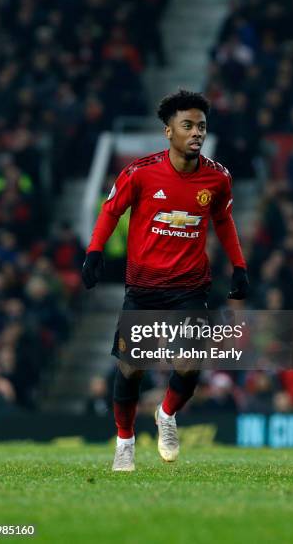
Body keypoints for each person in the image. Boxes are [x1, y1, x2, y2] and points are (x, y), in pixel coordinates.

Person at [82, 90, 249, 471]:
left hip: (190, 287)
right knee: (130, 369)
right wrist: (94, 252)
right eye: (187, 125)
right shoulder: (140, 172)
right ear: (168, 131)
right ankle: (125, 443)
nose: (196, 133)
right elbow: (111, 212)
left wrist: (239, 266)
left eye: (201, 126)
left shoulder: (217, 178)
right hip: (143, 288)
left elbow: (223, 221)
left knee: (190, 362)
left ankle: (167, 414)